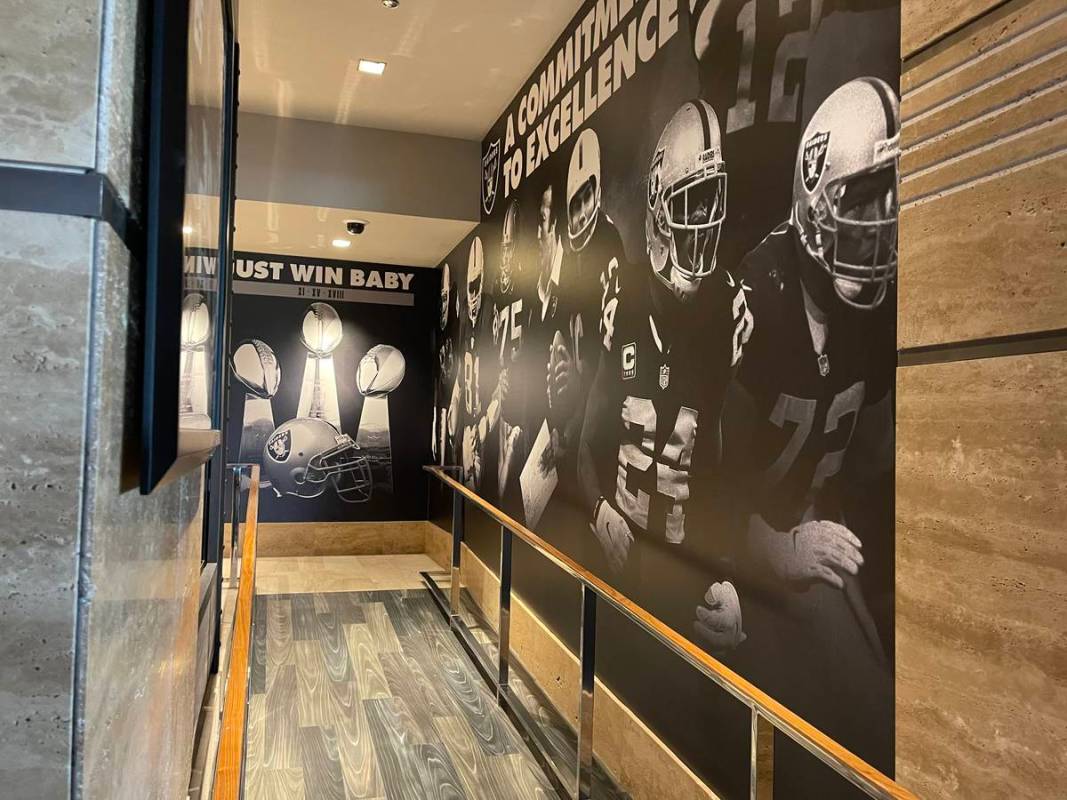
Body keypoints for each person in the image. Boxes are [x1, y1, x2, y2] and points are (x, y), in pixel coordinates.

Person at [722, 76, 899, 789]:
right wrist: (774, 548)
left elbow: (872, 465)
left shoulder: (876, 310)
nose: (880, 221)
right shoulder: (756, 301)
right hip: (744, 556)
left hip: (818, 533)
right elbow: (702, 482)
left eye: (890, 196)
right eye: (861, 198)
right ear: (813, 196)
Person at [577, 100, 753, 647]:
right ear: (658, 208)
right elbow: (586, 442)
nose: (702, 224)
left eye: (710, 203)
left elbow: (731, 470)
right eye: (689, 204)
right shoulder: (624, 295)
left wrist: (733, 577)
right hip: (619, 567)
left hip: (687, 584)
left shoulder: (728, 310)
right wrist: (600, 509)